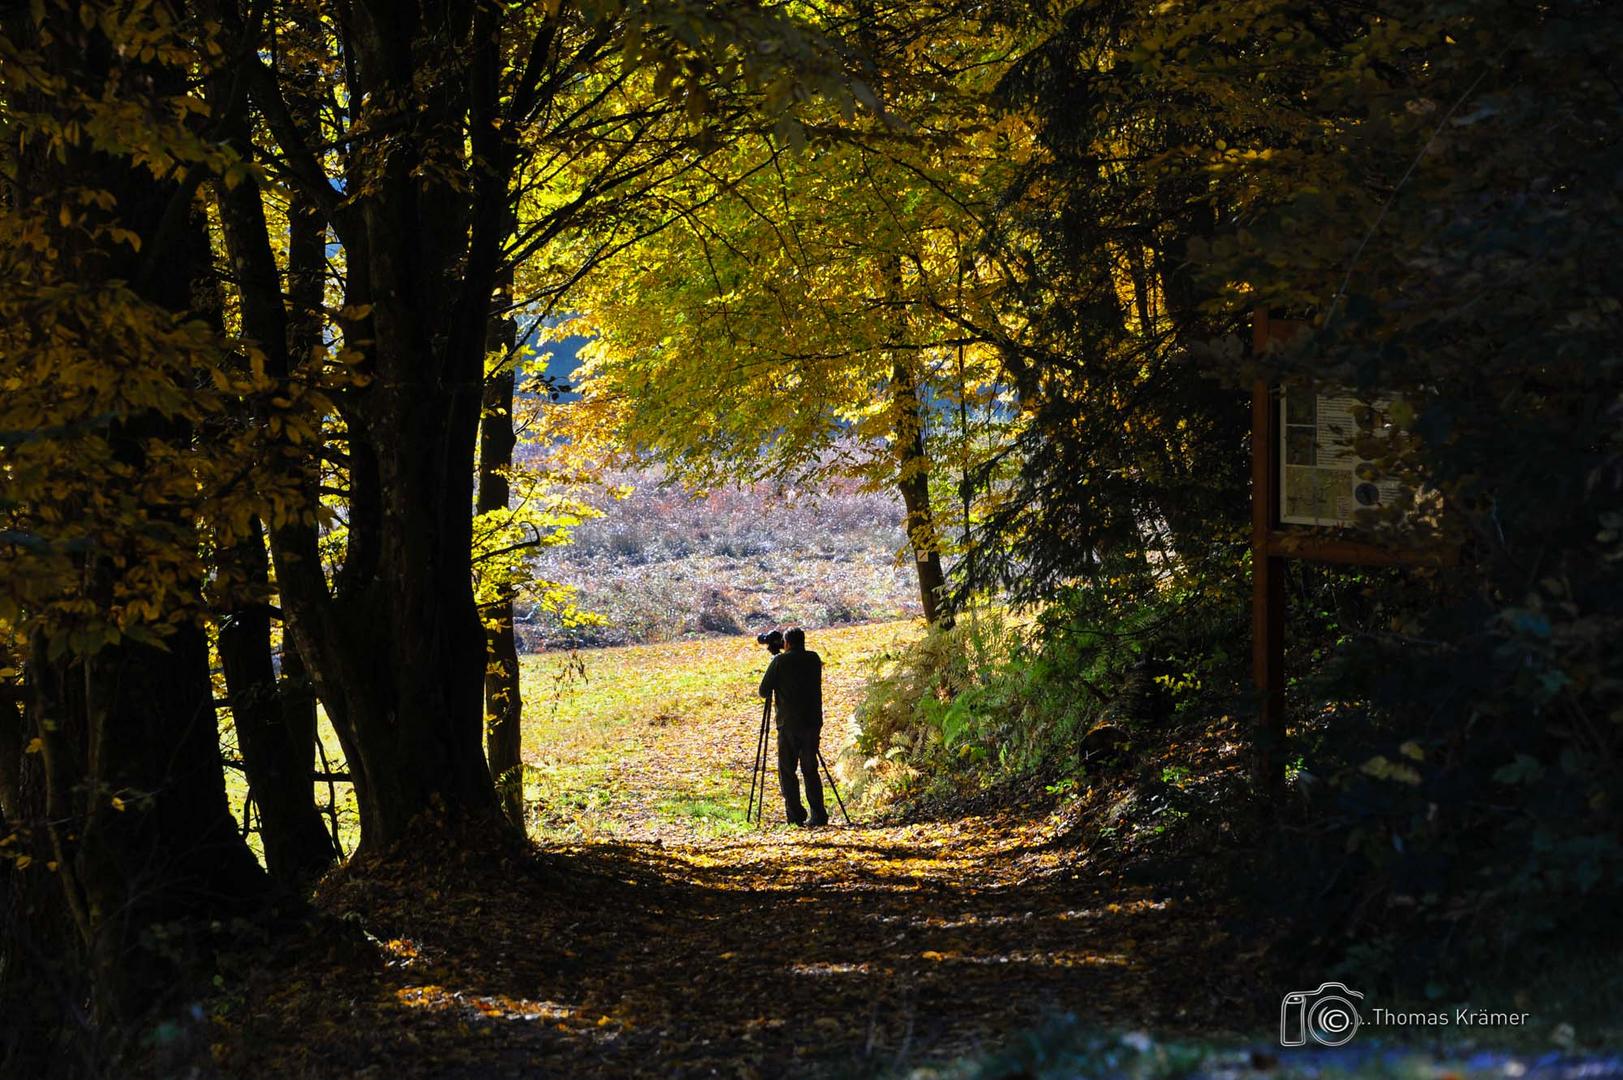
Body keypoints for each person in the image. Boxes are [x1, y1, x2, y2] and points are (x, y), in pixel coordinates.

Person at [758, 627, 826, 826]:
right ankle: (818, 814)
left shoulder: (779, 662)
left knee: (787, 770)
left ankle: (795, 815)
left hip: (788, 724)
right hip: (812, 722)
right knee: (810, 769)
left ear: (786, 643)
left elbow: (763, 691)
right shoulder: (814, 659)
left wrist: (776, 657)